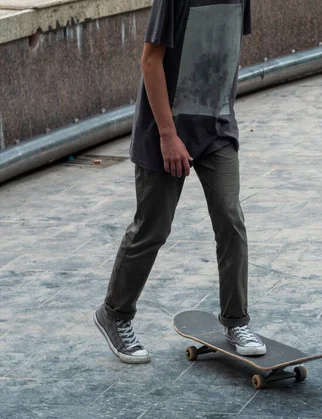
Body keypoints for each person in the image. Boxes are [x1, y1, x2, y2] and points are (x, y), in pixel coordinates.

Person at [94, 0, 267, 364]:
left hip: (215, 127)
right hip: (164, 130)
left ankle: (236, 320)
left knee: (230, 220)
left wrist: (222, 111)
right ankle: (115, 313)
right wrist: (169, 134)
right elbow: (150, 60)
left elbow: (224, 47)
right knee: (153, 229)